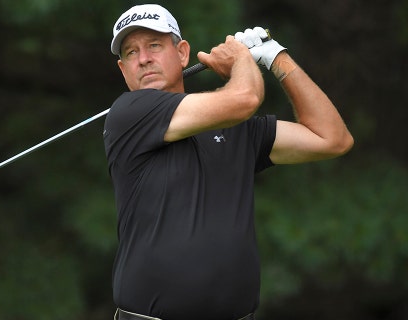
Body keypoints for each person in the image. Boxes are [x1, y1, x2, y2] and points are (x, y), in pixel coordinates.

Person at [103, 4, 354, 320]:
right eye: (131, 52)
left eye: (154, 45)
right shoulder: (128, 114)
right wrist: (241, 61)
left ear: (182, 53)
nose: (143, 58)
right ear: (123, 69)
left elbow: (332, 138)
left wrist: (277, 57)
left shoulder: (238, 130)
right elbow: (245, 99)